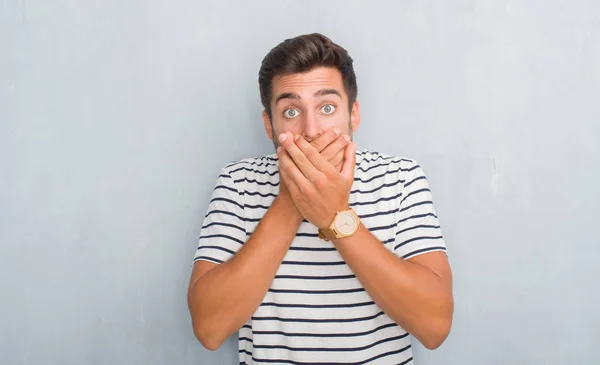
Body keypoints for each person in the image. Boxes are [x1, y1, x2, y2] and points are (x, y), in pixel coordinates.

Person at [187, 33, 453, 364]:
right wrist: (290, 203)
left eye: (327, 107)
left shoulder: (400, 178)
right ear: (269, 125)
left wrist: (336, 217)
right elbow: (210, 329)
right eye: (290, 111)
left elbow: (435, 326)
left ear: (353, 115)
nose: (311, 129)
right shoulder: (237, 183)